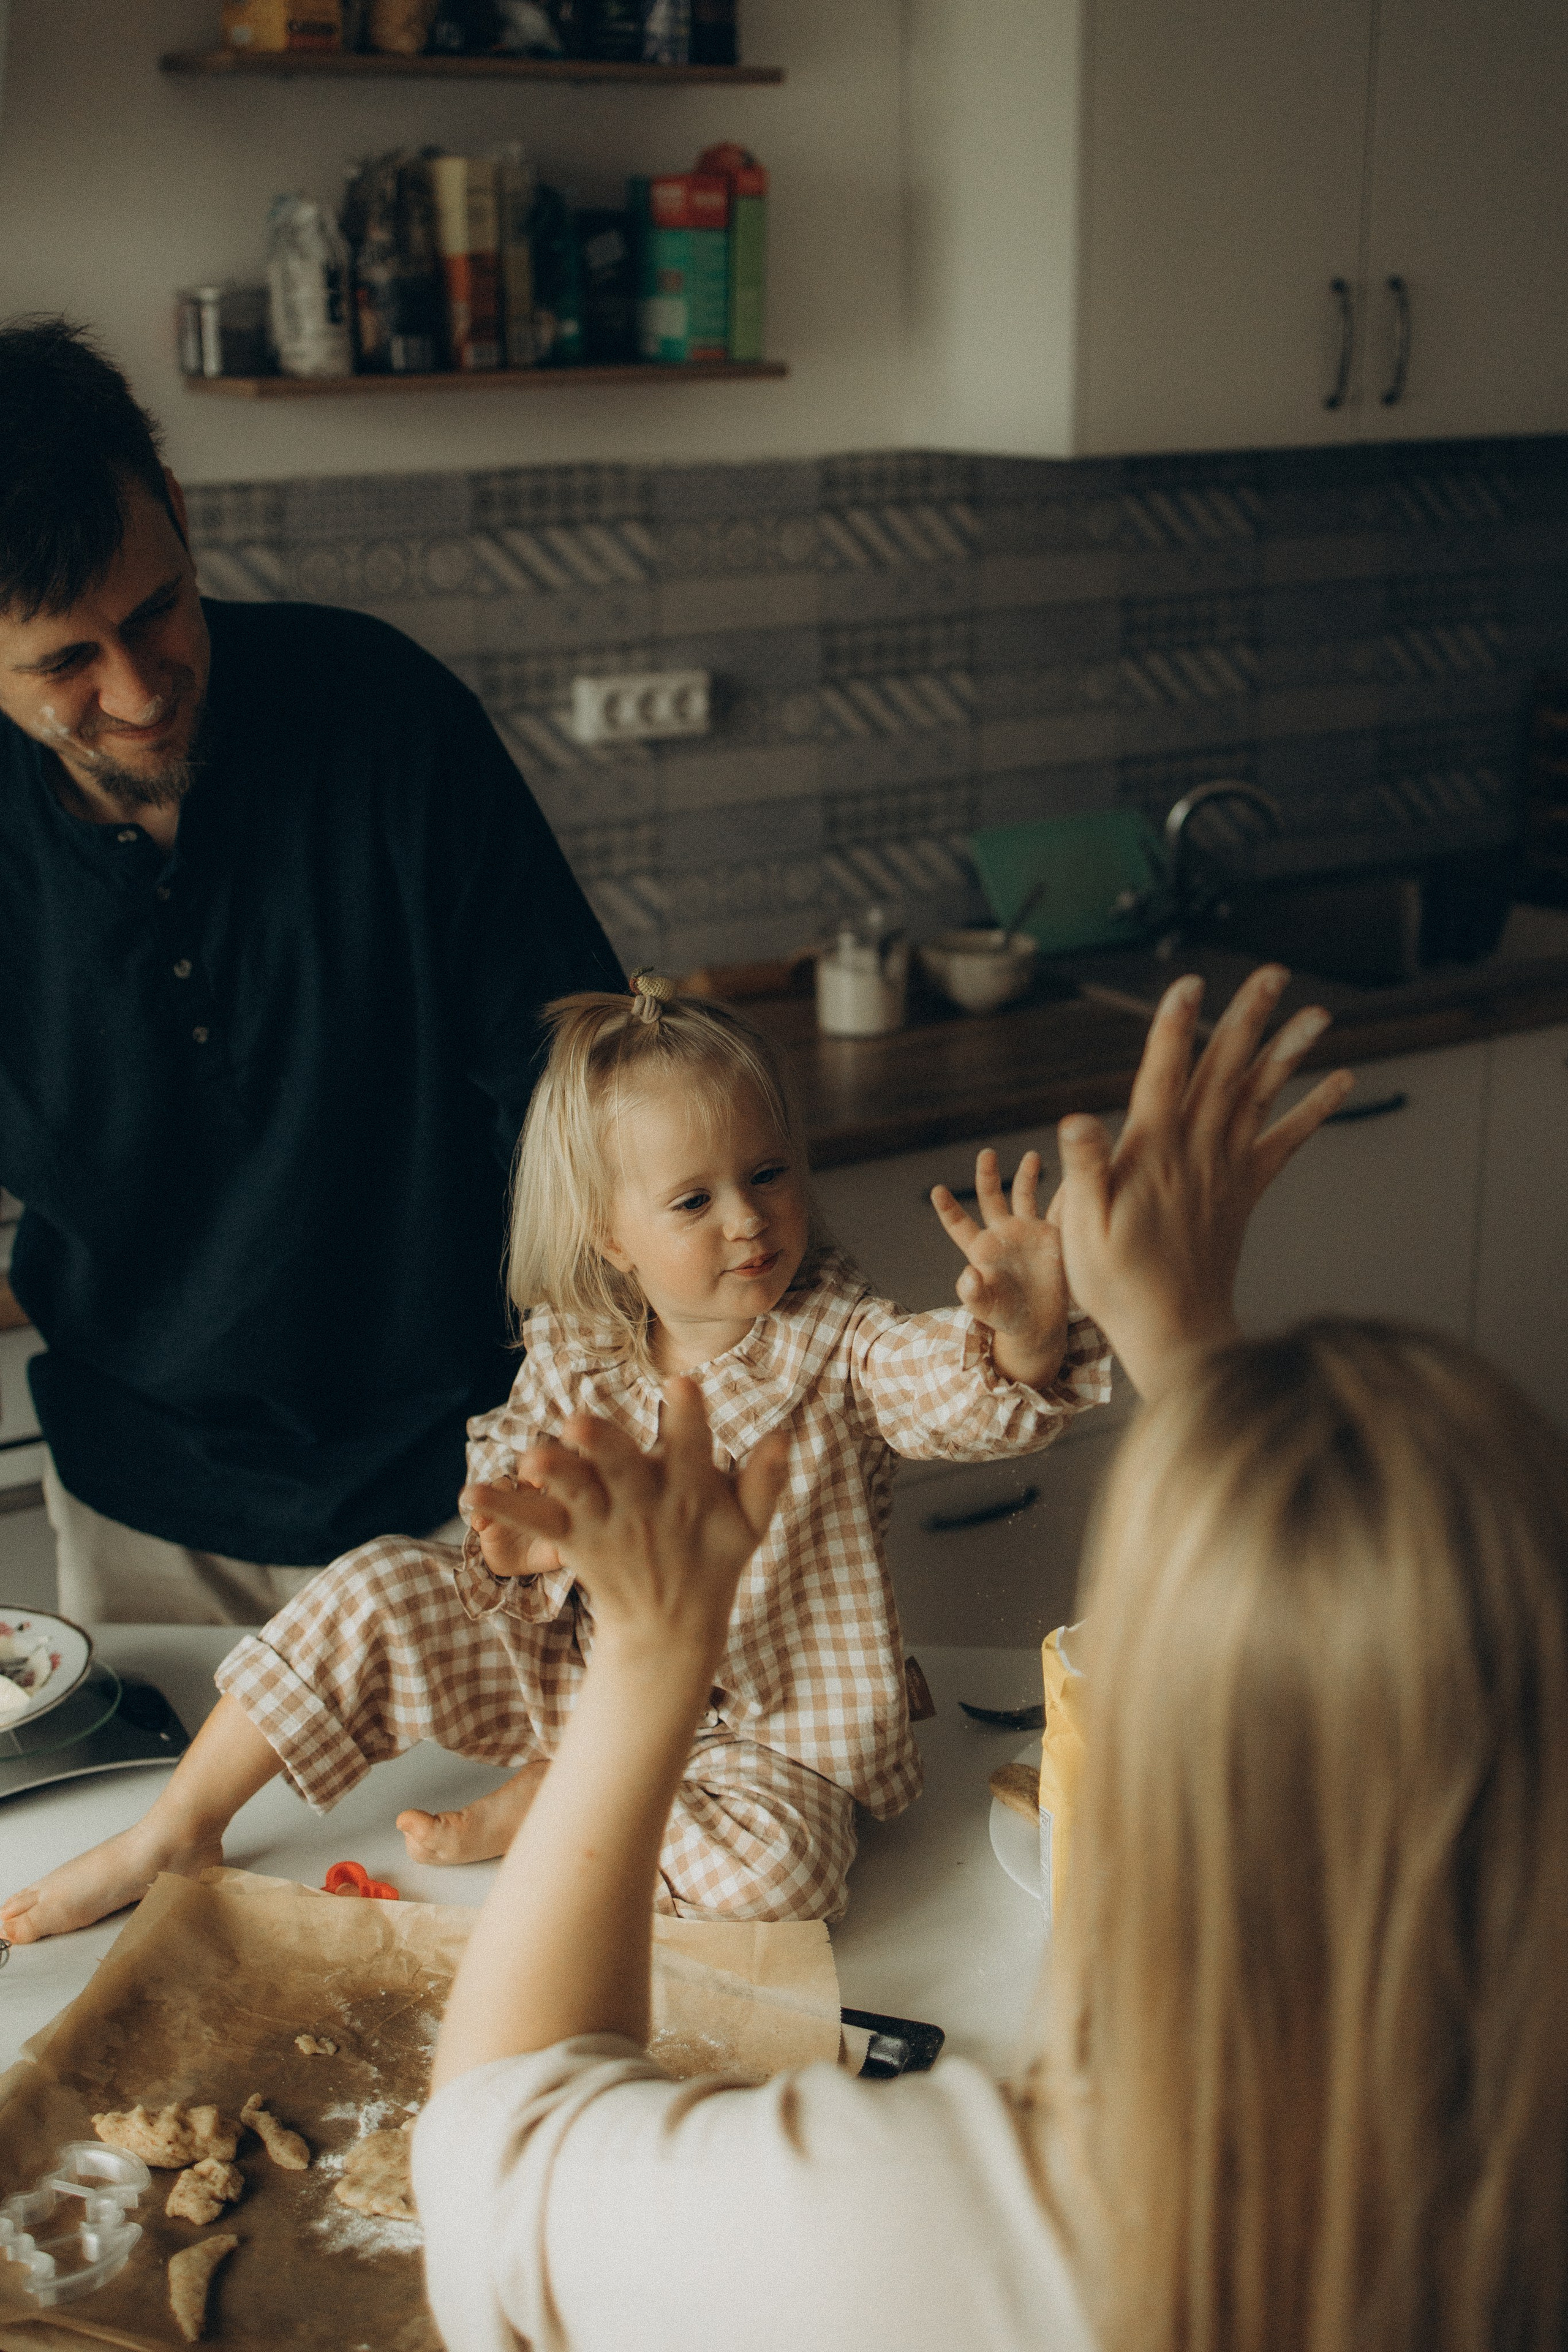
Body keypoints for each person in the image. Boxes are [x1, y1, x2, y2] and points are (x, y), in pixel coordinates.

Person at [409, 963, 1561, 2352]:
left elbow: (490, 2169)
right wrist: (1174, 1332)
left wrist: (649, 1667)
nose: (742, 1222)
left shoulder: (943, 2216)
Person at [3, 976, 1109, 1943]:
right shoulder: (578, 1344)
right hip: (569, 1675)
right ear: (611, 1236)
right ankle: (176, 1832)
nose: (748, 1220)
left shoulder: (845, 1340)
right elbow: (512, 1491)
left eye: (769, 1174)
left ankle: (564, 1796)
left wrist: (1017, 1336)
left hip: (756, 1729)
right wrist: (519, 1534)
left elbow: (951, 1389)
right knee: (377, 1581)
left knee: (783, 1878)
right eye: (694, 1199)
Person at [0, 318, 622, 1625]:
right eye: (65, 664)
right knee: (177, 1843)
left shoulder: (382, 713)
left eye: (156, 609)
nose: (137, 688)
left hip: (461, 1479)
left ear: (174, 507)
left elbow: (571, 1072)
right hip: (141, 1510)